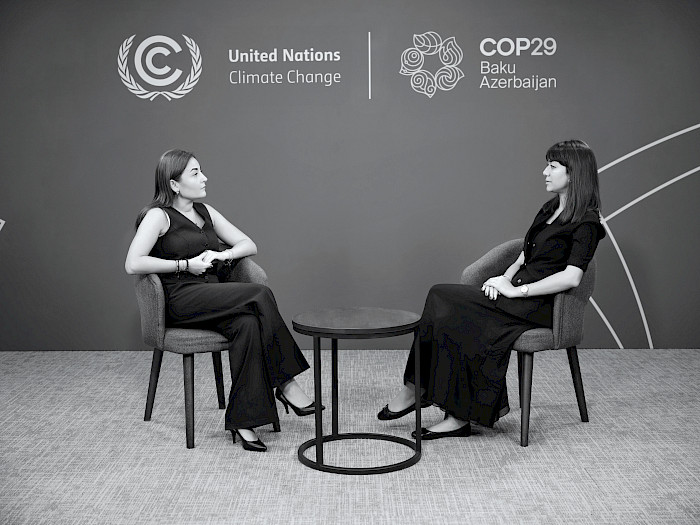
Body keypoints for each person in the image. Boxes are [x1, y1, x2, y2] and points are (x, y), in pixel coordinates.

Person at [378, 139, 605, 440]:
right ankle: (447, 409)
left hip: (541, 305)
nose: (544, 172)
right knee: (446, 305)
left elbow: (572, 277)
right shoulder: (550, 208)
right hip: (518, 293)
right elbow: (525, 254)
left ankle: (421, 393)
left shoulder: (587, 222)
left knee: (444, 298)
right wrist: (504, 278)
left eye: (552, 166)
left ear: (574, 173)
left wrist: (516, 292)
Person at [125, 149, 320, 452]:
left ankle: (243, 420)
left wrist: (222, 255)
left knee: (247, 324)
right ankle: (286, 383)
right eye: (195, 173)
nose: (204, 178)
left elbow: (249, 244)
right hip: (181, 299)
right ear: (174, 184)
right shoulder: (158, 216)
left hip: (214, 296)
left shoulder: (206, 212)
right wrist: (184, 265)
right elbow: (133, 263)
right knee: (259, 293)